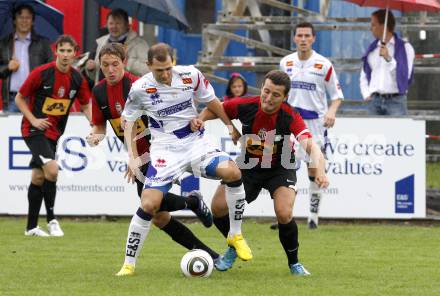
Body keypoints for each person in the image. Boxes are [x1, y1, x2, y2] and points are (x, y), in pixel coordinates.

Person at [116, 42, 252, 276]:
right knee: (149, 204)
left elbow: (212, 102)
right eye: (159, 70)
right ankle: (128, 264)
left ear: (174, 62)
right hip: (164, 151)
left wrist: (229, 126)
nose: (166, 74)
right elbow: (126, 121)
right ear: (149, 66)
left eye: (169, 68)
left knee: (233, 172)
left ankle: (236, 234)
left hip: (196, 143)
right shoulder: (140, 88)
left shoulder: (191, 75)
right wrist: (132, 156)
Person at [85, 43, 220, 272]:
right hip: (138, 157)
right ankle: (207, 246)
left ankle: (197, 222)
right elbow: (100, 125)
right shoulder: (99, 92)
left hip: (159, 151)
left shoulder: (139, 85)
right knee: (157, 215)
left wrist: (134, 156)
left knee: (150, 207)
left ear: (124, 62)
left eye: (115, 64)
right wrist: (96, 136)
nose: (110, 69)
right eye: (105, 65)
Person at [195, 70, 329, 275]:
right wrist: (202, 119)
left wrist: (320, 170)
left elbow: (312, 147)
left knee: (284, 212)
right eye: (266, 91)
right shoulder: (247, 104)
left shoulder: (290, 115)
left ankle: (294, 263)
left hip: (281, 166)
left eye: (276, 95)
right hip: (249, 165)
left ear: (284, 98)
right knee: (218, 208)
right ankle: (233, 245)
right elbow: (215, 108)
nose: (268, 97)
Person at [15, 35, 92, 236]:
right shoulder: (41, 73)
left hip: (54, 133)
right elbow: (19, 97)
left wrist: (94, 124)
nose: (66, 55)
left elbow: (85, 104)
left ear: (75, 53)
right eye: (62, 50)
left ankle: (31, 228)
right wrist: (33, 120)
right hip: (33, 130)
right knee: (52, 169)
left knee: (39, 176)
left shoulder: (77, 78)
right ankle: (52, 220)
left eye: (69, 51)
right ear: (56, 51)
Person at [279, 22, 343, 229]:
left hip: (315, 124)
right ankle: (284, 215)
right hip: (290, 123)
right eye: (300, 35)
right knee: (283, 170)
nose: (303, 39)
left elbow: (337, 96)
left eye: (307, 35)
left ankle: (313, 217)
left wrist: (332, 112)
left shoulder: (324, 65)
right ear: (294, 38)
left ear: (313, 38)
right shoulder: (286, 63)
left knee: (314, 170)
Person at [360, 9, 415, 116]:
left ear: (383, 26)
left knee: (397, 132)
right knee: (373, 133)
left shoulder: (406, 48)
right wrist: (366, 94)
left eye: (374, 25)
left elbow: (405, 77)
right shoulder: (372, 49)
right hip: (374, 102)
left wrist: (388, 58)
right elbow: (364, 74)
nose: (371, 28)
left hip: (396, 102)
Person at [0, 4, 53, 112]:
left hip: (35, 98)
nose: (24, 21)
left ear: (33, 21)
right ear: (14, 21)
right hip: (12, 99)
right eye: (20, 17)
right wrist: (7, 67)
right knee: (9, 129)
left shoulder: (43, 43)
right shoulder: (4, 43)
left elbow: (51, 68)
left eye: (28, 17)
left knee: (34, 129)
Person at [85, 8, 150, 84]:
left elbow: (148, 70)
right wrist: (92, 69)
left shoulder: (140, 44)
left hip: (130, 91)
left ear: (126, 25)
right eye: (111, 23)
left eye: (118, 23)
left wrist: (128, 63)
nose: (114, 26)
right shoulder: (101, 42)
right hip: (104, 92)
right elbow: (97, 76)